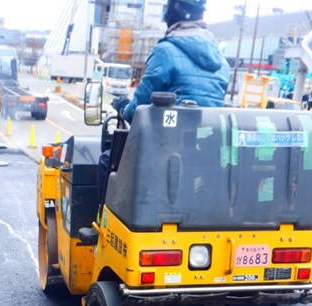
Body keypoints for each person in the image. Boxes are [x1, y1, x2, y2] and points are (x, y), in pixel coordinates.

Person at [97, 0, 230, 197]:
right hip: (205, 154)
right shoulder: (222, 62)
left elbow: (136, 112)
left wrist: (124, 106)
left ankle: (102, 220)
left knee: (107, 161)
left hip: (166, 151)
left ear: (174, 12)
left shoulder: (165, 52)